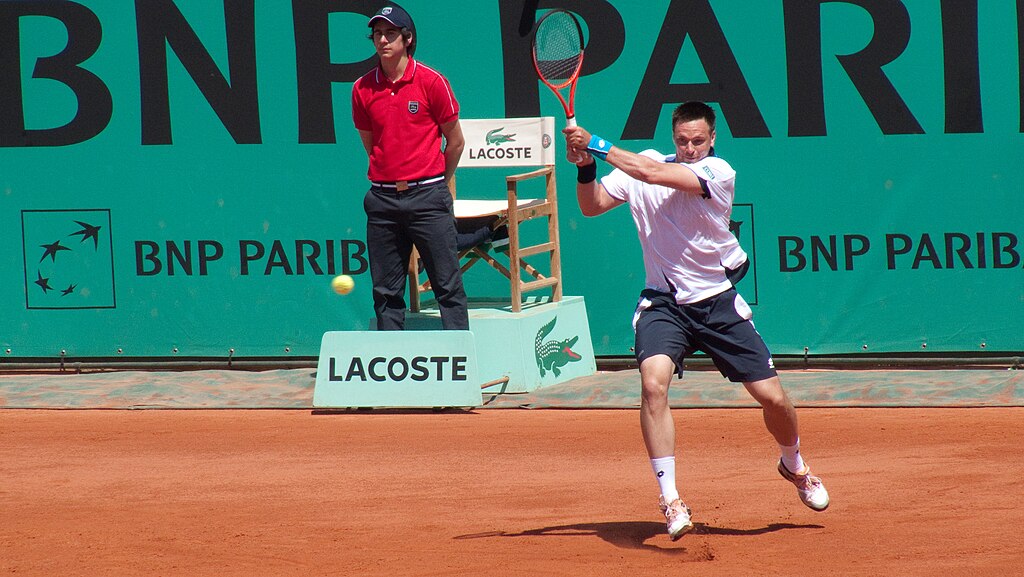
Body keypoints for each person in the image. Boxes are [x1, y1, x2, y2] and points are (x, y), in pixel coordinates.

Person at [563, 102, 829, 541]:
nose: (689, 148)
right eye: (683, 141)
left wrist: (595, 143)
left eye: (698, 141)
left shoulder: (717, 172)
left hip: (717, 304)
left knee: (774, 399)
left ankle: (794, 465)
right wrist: (586, 166)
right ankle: (670, 501)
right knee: (653, 384)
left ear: (712, 139)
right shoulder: (643, 162)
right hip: (664, 304)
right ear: (673, 137)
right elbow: (591, 207)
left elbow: (649, 174)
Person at [351, 3, 468, 330]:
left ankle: (460, 364)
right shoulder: (361, 89)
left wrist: (436, 184)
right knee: (386, 293)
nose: (383, 40)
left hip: (428, 198)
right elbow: (372, 143)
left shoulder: (432, 82)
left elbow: (455, 141)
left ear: (407, 39)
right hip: (382, 201)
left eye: (390, 34)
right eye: (377, 34)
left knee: (447, 286)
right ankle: (392, 366)